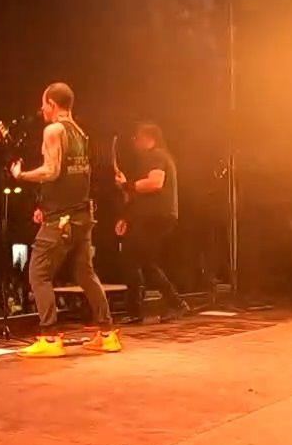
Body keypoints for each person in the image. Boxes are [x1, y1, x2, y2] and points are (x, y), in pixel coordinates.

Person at [10, 82, 120, 357]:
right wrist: (45, 205)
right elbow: (77, 176)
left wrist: (21, 175)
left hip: (61, 219)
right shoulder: (80, 132)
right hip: (82, 215)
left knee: (38, 273)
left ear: (52, 103)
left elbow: (52, 171)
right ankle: (107, 333)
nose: (41, 109)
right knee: (85, 273)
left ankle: (49, 337)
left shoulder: (54, 130)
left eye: (43, 104)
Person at [115, 122, 189, 322]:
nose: (135, 142)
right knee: (144, 261)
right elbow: (140, 194)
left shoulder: (155, 156)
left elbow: (155, 183)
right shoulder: (155, 157)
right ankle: (171, 304)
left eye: (137, 138)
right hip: (152, 216)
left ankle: (139, 310)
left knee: (133, 258)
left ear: (149, 139)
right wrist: (126, 216)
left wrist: (127, 185)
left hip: (155, 217)